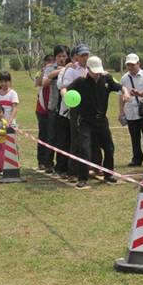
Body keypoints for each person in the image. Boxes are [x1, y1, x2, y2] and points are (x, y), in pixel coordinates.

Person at [65, 56, 131, 188]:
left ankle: (108, 173)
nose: (97, 75)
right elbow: (66, 89)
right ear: (88, 69)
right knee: (85, 149)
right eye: (94, 72)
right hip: (85, 121)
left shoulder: (107, 79)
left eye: (98, 72)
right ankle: (82, 177)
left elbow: (121, 87)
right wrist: (66, 97)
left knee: (109, 148)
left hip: (101, 120)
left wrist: (126, 92)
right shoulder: (80, 81)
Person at [58, 44, 90, 182]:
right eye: (82, 55)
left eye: (86, 55)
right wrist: (68, 100)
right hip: (75, 110)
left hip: (90, 109)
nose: (85, 58)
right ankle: (73, 171)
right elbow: (64, 88)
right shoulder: (71, 70)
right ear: (76, 56)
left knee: (89, 141)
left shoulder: (92, 69)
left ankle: (90, 167)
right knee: (75, 141)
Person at [119, 53, 143, 167]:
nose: (130, 67)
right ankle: (137, 158)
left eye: (133, 64)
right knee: (134, 137)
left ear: (138, 64)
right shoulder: (124, 78)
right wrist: (121, 111)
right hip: (131, 112)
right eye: (128, 65)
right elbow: (121, 95)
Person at [42, 46, 69, 175]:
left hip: (66, 108)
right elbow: (44, 82)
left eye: (64, 56)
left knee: (62, 137)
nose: (62, 59)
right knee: (51, 136)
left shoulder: (71, 67)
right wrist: (59, 72)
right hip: (53, 106)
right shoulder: (50, 68)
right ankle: (48, 163)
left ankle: (62, 164)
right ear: (55, 57)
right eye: (59, 56)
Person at [34, 55, 54, 171]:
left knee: (52, 137)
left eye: (51, 61)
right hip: (42, 109)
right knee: (43, 135)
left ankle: (49, 162)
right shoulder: (40, 72)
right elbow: (38, 83)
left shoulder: (57, 72)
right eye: (47, 61)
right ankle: (41, 161)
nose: (49, 64)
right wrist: (43, 71)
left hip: (53, 108)